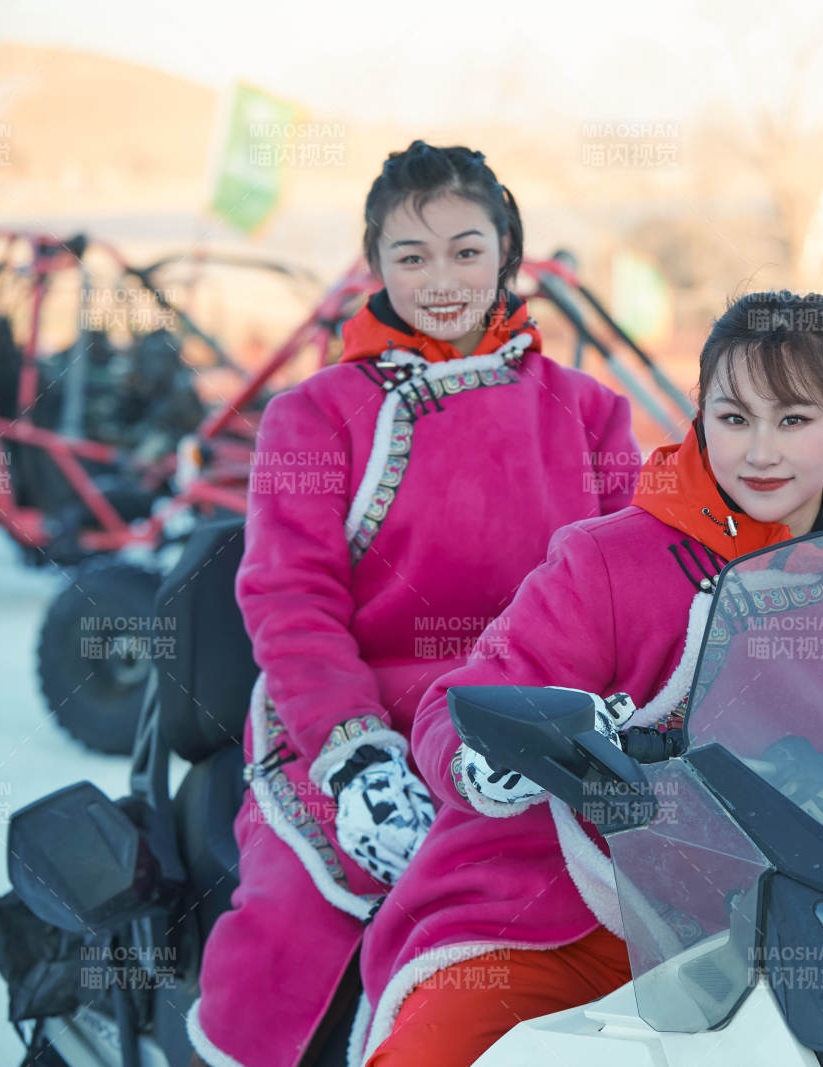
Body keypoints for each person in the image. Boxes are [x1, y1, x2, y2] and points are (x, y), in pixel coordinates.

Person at [187, 141, 640, 1067]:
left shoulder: (589, 411)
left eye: (467, 251)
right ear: (377, 266)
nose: (442, 280)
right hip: (351, 723)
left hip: (531, 725)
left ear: (507, 254)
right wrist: (356, 761)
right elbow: (291, 600)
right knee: (293, 916)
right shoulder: (310, 417)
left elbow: (633, 586)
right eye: (412, 256)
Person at [355, 290, 823, 1064]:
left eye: (794, 419)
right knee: (438, 1049)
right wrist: (490, 759)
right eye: (735, 418)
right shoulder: (610, 559)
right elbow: (459, 704)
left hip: (810, 923)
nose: (761, 451)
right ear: (701, 414)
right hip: (572, 915)